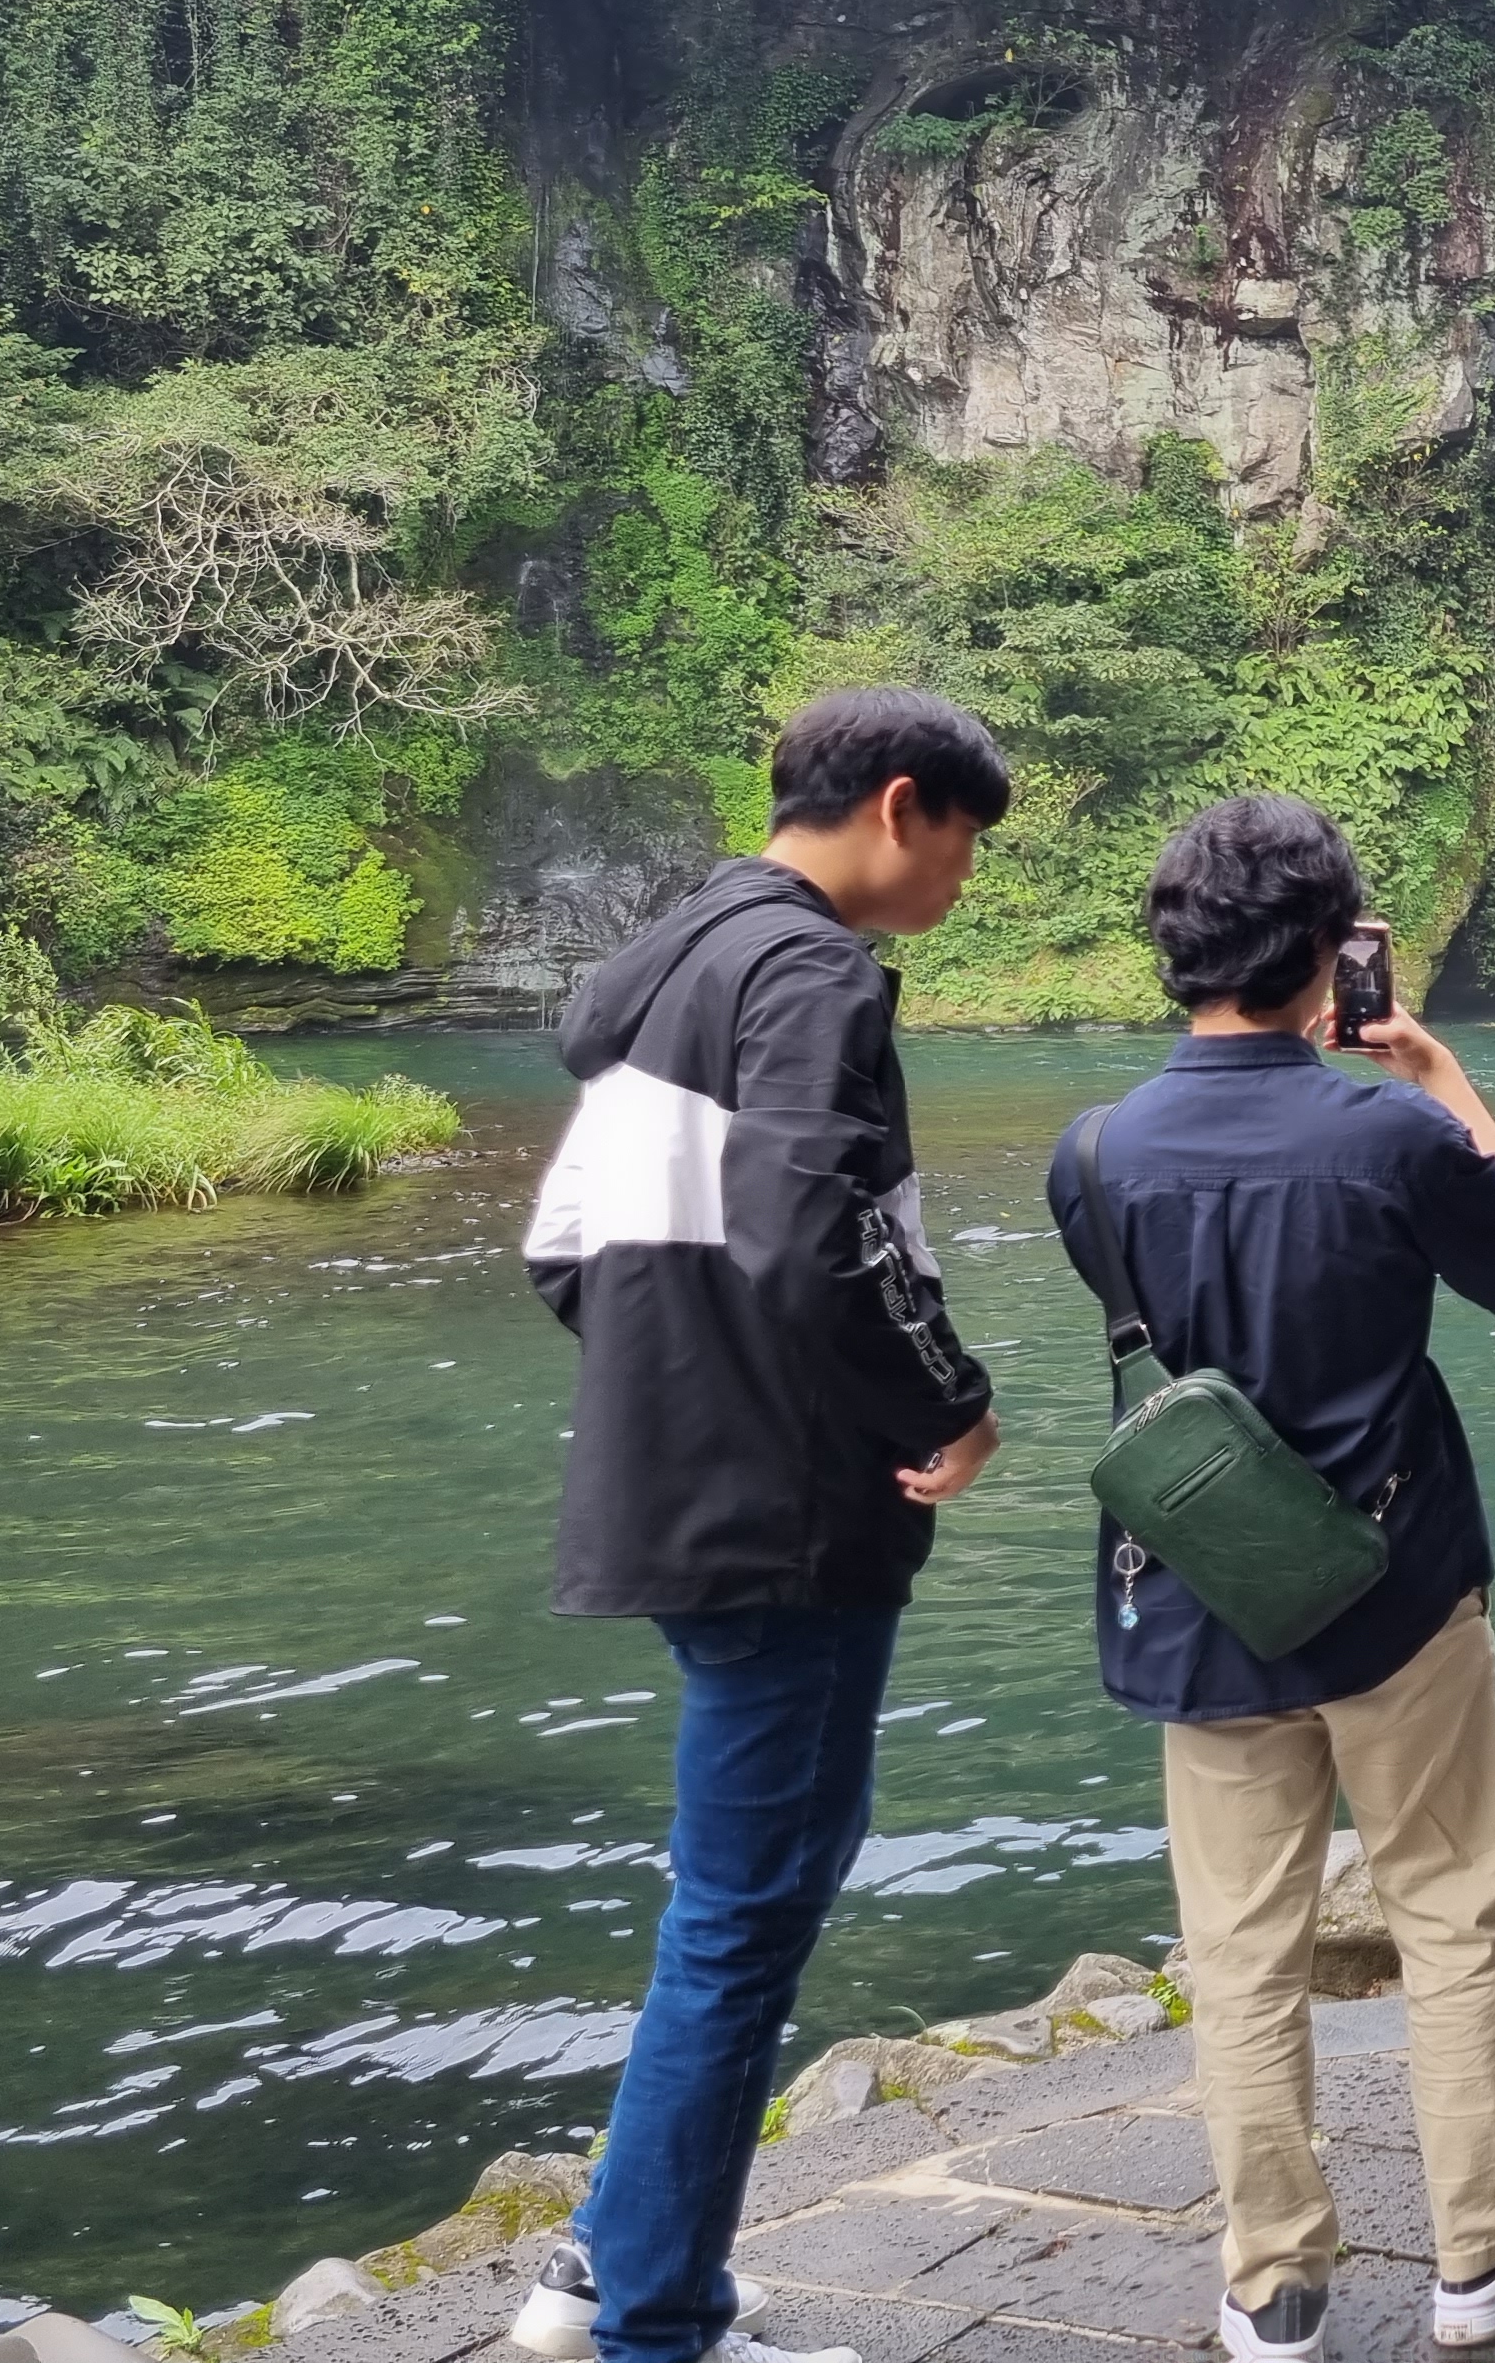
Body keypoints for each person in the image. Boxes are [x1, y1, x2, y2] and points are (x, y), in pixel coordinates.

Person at [1046, 794, 1495, 2358]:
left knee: (1238, 1952)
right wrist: (1436, 1071)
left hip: (1206, 1590)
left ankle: (1273, 2284)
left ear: (1177, 950)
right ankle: (1481, 2255)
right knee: (1451, 1912)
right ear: (1330, 952)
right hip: (1398, 1593)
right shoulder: (1386, 1135)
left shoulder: (1094, 1157)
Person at [513, 687, 1015, 2363]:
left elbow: (564, 1251)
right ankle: (654, 2322)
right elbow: (820, 1233)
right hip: (787, 1516)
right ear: (899, 804)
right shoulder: (811, 973)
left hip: (673, 1492)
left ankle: (606, 2260)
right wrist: (948, 1401)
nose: (962, 879)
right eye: (964, 842)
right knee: (744, 1923)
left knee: (726, 1907)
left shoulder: (664, 974)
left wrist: (685, 1386)